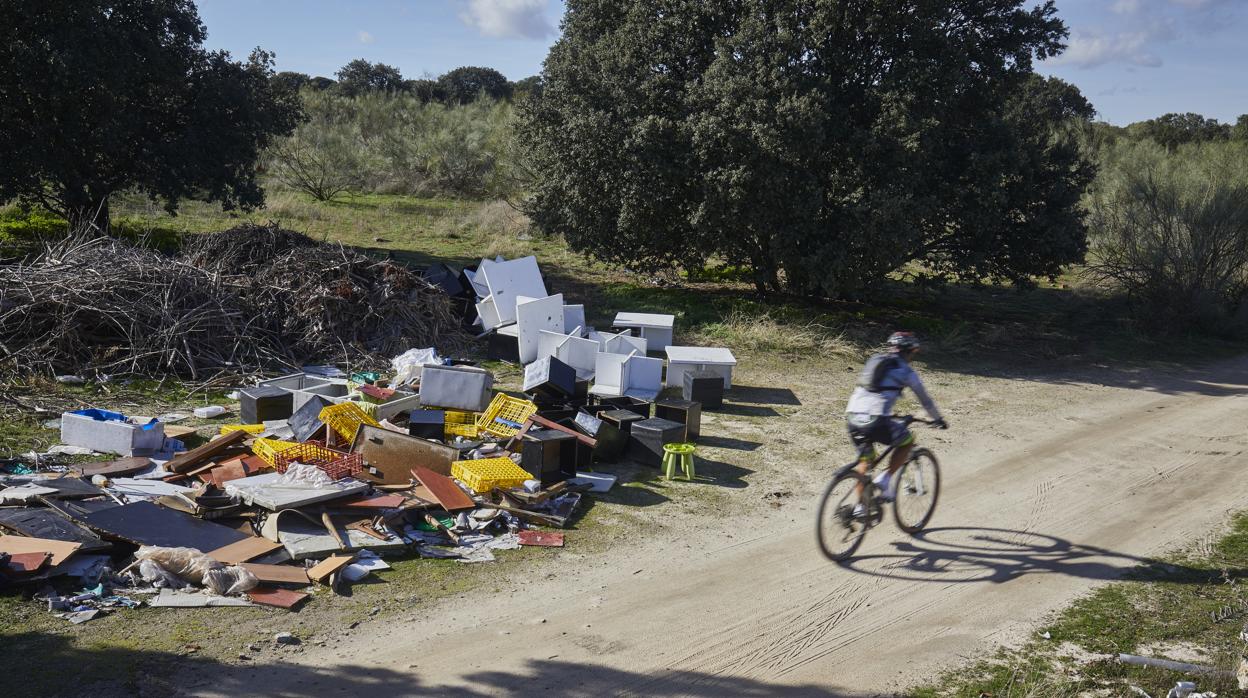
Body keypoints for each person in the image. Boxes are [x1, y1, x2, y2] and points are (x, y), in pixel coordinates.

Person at [845, 331, 947, 517]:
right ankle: (885, 480)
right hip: (876, 420)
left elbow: (873, 392)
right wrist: (938, 419)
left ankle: (861, 506)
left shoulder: (875, 360)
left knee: (865, 461)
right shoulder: (907, 371)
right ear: (910, 352)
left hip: (852, 416)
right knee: (907, 441)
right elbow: (926, 401)